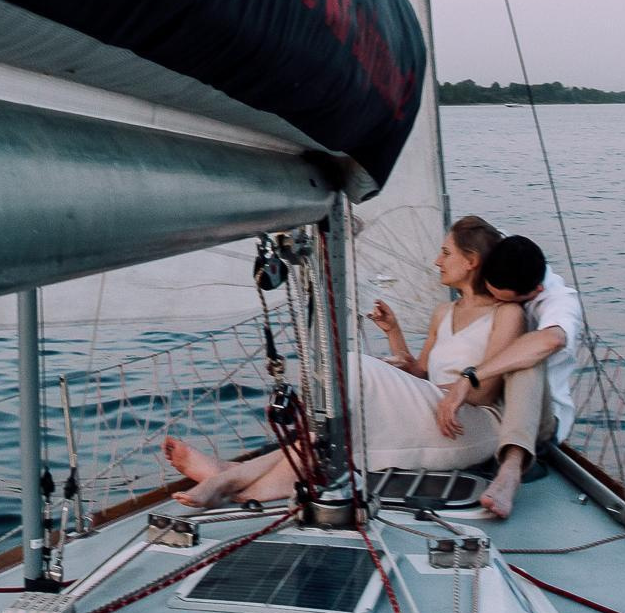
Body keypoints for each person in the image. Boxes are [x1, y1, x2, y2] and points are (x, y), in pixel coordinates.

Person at [162, 216, 523, 508]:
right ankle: (235, 477)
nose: (436, 261)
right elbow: (421, 371)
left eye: (446, 253)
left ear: (471, 261)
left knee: (352, 368)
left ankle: (236, 477)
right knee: (346, 396)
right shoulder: (444, 311)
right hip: (435, 413)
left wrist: (417, 390)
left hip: (473, 428)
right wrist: (393, 332)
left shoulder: (505, 315)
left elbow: (486, 392)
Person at [431, 233, 583, 518]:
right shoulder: (503, 255)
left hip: (539, 419)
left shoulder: (559, 303)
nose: (495, 303)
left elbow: (552, 341)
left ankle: (511, 469)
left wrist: (470, 378)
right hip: (488, 404)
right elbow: (470, 236)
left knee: (527, 352)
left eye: (503, 301)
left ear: (534, 291)